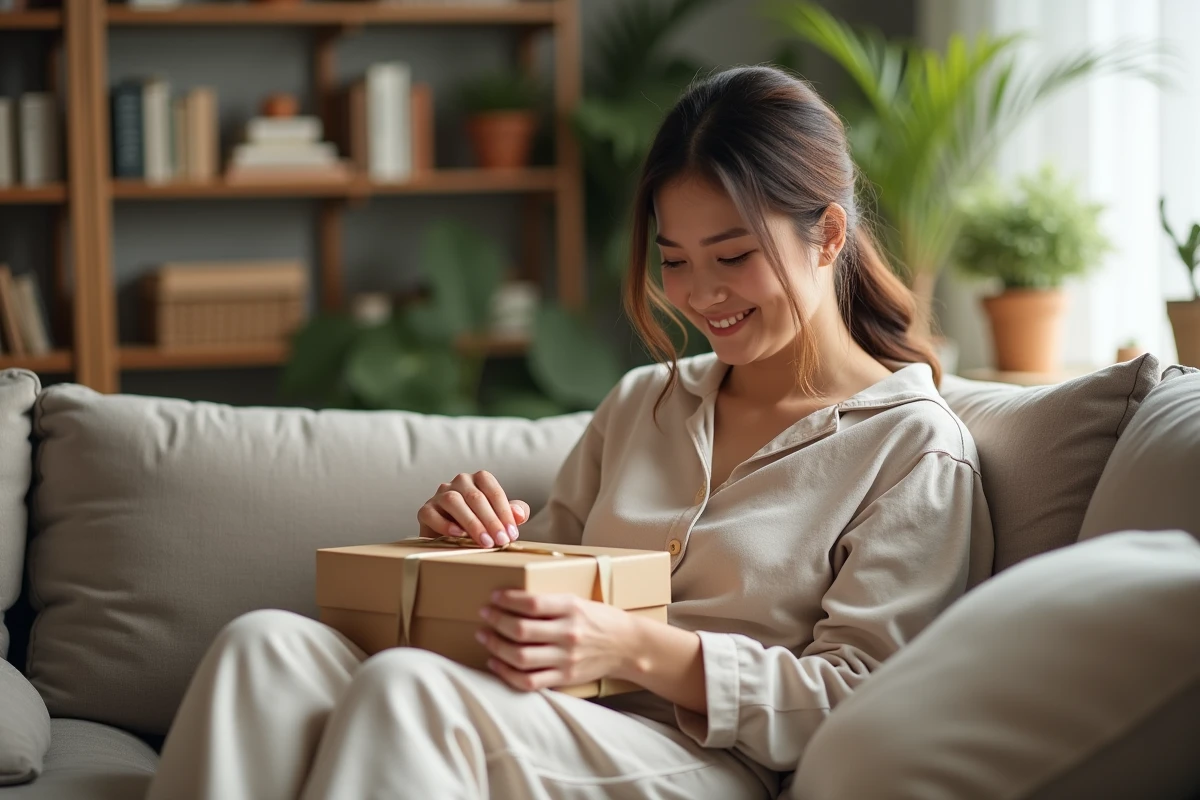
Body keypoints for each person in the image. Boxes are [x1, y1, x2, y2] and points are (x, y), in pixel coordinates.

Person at [147, 65, 994, 800]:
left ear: (829, 236)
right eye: (674, 259)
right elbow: (532, 592)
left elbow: (865, 698)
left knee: (409, 692)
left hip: (699, 757)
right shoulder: (641, 404)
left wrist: (638, 649)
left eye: (732, 256)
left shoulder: (911, 450)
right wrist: (469, 547)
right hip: (545, 710)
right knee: (263, 648)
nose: (701, 295)